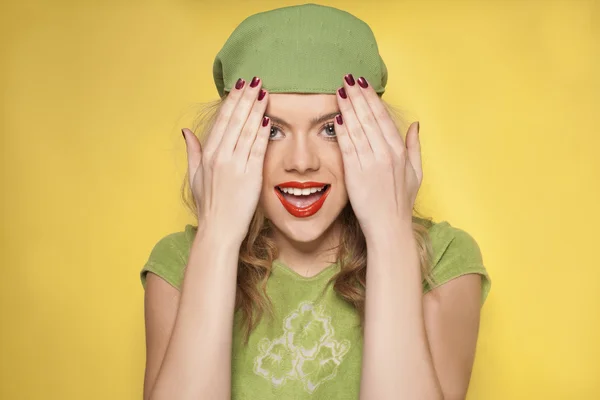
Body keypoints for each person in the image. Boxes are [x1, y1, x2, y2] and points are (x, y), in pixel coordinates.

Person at [140, 3, 491, 400]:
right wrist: (217, 236)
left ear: (373, 135)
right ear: (230, 142)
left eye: (330, 128)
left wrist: (391, 234)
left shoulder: (444, 259)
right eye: (272, 131)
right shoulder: (179, 263)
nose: (302, 163)